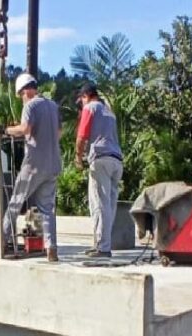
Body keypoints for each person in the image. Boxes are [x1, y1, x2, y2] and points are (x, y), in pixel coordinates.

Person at [3, 73, 62, 262]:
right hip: (53, 164)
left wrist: (7, 130)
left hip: (34, 163)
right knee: (47, 208)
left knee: (15, 201)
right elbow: (59, 132)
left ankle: (2, 239)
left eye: (21, 95)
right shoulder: (52, 106)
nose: (21, 99)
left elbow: (25, 129)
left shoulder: (31, 105)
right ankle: (51, 248)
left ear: (26, 90)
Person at [75, 83, 123, 258]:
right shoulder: (109, 111)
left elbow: (81, 137)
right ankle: (104, 244)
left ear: (86, 96)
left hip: (101, 159)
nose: (81, 104)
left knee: (98, 203)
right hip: (116, 160)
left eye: (81, 100)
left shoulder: (90, 108)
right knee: (109, 205)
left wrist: (78, 159)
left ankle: (102, 248)